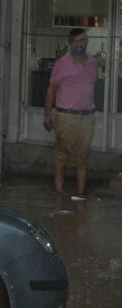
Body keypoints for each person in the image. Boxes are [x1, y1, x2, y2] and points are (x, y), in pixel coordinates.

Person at [44, 28, 99, 199]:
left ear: (87, 42)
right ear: (70, 42)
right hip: (66, 116)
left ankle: (80, 195)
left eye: (82, 40)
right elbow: (51, 91)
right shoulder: (62, 63)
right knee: (62, 157)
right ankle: (59, 195)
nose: (79, 44)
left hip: (88, 117)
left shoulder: (93, 63)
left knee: (83, 157)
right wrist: (47, 115)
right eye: (76, 41)